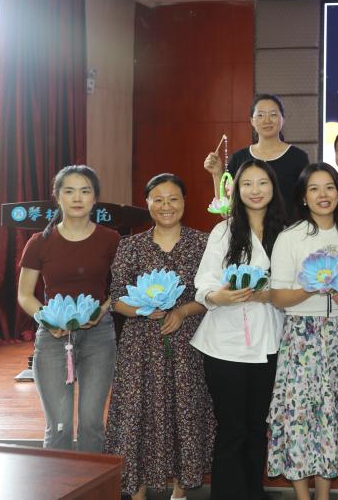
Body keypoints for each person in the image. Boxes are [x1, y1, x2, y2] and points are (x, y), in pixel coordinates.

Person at [105, 173, 213, 499]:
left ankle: (180, 489)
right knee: (137, 414)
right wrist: (140, 310)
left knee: (184, 412)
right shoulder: (130, 246)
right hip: (139, 347)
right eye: (158, 199)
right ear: (148, 203)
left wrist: (182, 312)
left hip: (188, 344)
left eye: (173, 199)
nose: (166, 206)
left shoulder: (204, 243)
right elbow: (116, 298)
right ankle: (136, 489)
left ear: (184, 202)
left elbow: (210, 296)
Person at [190, 159, 287, 500]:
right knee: (231, 428)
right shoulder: (224, 230)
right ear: (236, 190)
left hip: (270, 340)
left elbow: (293, 284)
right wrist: (218, 296)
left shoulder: (286, 232)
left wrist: (270, 294)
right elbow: (204, 282)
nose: (255, 190)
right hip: (225, 344)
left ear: (273, 188)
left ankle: (253, 493)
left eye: (262, 183)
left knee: (258, 427)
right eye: (247, 183)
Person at [266, 163, 338, 500]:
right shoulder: (291, 237)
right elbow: (278, 297)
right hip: (301, 335)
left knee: (330, 413)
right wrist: (313, 287)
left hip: (337, 335)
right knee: (301, 415)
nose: (323, 195)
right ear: (304, 197)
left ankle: (323, 494)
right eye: (314, 189)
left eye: (330, 187)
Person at [17, 165, 120, 452]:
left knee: (92, 423)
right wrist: (49, 321)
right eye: (69, 191)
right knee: (59, 425)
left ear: (95, 198)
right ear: (58, 196)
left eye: (85, 191)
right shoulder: (39, 242)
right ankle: (59, 481)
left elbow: (121, 287)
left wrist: (101, 312)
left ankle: (93, 481)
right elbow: (24, 295)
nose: (77, 198)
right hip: (53, 336)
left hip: (99, 336)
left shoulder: (111, 239)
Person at [203, 93, 310, 220]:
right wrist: (217, 174)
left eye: (273, 114)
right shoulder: (239, 159)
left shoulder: (298, 158)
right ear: (252, 121)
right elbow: (226, 212)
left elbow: (307, 203)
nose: (267, 120)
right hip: (248, 231)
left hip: (289, 230)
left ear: (283, 119)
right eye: (260, 115)